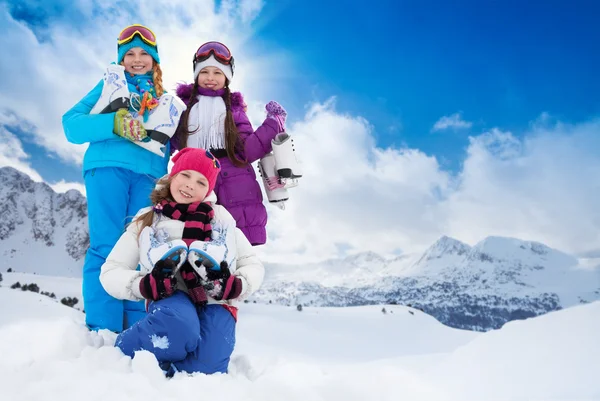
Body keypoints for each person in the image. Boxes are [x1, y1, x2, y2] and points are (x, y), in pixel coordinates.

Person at [100, 147, 264, 375]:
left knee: (207, 369)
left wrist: (236, 285)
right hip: (170, 297)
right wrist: (144, 285)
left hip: (216, 300)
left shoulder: (221, 219)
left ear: (209, 190)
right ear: (172, 176)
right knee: (179, 327)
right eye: (185, 175)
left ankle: (169, 370)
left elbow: (252, 264)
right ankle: (127, 347)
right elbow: (111, 271)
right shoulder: (149, 218)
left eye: (201, 182)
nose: (190, 185)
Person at [62, 24, 180, 333]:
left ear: (155, 61)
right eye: (130, 54)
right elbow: (71, 125)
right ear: (121, 58)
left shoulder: (165, 100)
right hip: (108, 166)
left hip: (149, 176)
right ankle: (103, 328)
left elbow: (174, 143)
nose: (137, 59)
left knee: (139, 250)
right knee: (107, 244)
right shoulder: (109, 86)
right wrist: (113, 123)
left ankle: (135, 328)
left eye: (144, 54)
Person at [173, 41, 289, 246]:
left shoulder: (234, 111)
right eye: (204, 72)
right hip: (194, 180)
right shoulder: (183, 109)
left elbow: (247, 151)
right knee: (193, 252)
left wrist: (274, 123)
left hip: (235, 186)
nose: (210, 78)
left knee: (236, 256)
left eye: (217, 73)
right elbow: (169, 142)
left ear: (227, 77)